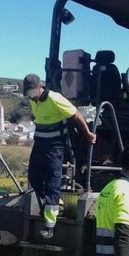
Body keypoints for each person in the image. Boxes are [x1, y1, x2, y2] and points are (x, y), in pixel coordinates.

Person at [24, 73, 96, 239]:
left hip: (55, 145)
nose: (30, 97)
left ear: (40, 88)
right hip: (40, 143)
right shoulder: (33, 100)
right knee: (34, 176)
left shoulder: (55, 99)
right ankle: (56, 204)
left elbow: (76, 115)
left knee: (52, 179)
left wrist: (88, 134)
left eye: (32, 93)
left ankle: (50, 224)